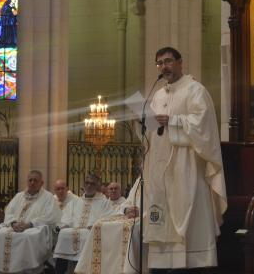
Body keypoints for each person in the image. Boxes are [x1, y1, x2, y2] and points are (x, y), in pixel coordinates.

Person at [138, 47, 227, 269]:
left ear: (180, 62)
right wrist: (146, 123)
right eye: (159, 63)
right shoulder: (157, 95)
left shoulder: (195, 90)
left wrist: (173, 121)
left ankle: (191, 263)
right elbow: (153, 131)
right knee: (161, 215)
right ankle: (161, 263)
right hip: (160, 166)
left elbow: (203, 124)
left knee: (187, 211)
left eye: (168, 61)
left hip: (186, 166)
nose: (163, 67)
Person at [0, 170, 62, 274]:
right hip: (15, 226)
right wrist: (13, 223)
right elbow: (9, 211)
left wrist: (29, 224)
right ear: (27, 181)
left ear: (41, 183)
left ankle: (25, 269)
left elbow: (51, 216)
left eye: (35, 180)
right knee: (1, 234)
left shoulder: (48, 197)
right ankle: (2, 270)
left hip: (35, 228)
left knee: (26, 237)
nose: (32, 183)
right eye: (30, 180)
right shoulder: (19, 196)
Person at [74, 178, 141, 274]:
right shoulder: (105, 202)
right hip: (110, 234)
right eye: (111, 189)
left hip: (128, 225)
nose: (113, 191)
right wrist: (126, 210)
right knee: (98, 226)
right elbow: (100, 216)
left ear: (121, 191)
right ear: (107, 191)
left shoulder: (121, 201)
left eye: (116, 188)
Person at [53, 174, 109, 274]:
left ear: (97, 186)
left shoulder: (104, 202)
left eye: (92, 183)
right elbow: (66, 217)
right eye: (87, 183)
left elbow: (108, 217)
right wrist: (63, 226)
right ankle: (60, 271)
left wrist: (96, 225)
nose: (89, 186)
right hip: (74, 230)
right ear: (83, 184)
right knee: (63, 234)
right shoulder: (75, 202)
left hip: (91, 232)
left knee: (85, 236)